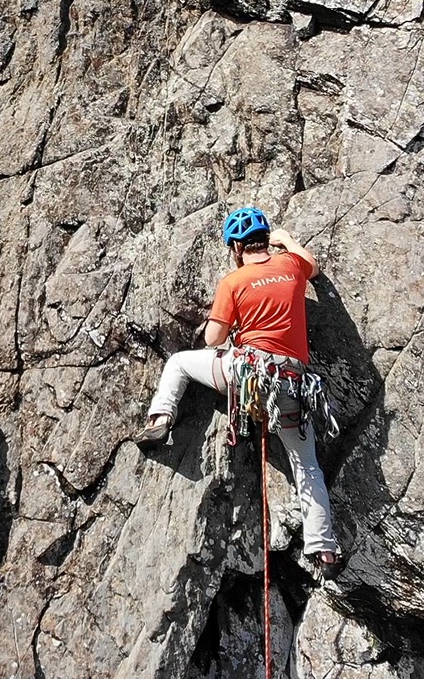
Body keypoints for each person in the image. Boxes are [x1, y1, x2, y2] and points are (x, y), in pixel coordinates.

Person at [143, 206, 342, 577]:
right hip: (291, 384)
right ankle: (324, 550)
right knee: (306, 465)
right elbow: (312, 264)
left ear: (236, 247)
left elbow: (213, 338)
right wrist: (288, 242)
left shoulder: (233, 283)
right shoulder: (291, 266)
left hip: (246, 375)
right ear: (266, 239)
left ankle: (159, 419)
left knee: (180, 363)